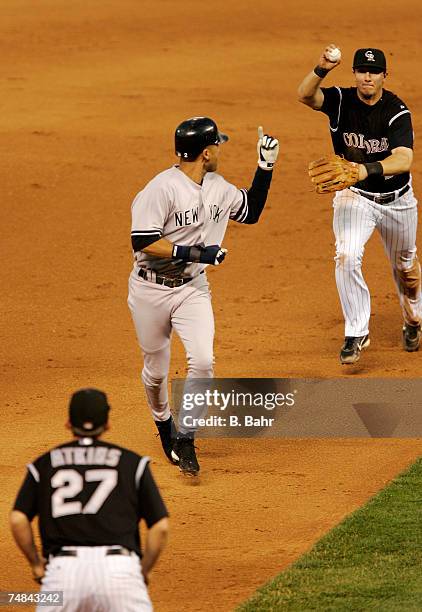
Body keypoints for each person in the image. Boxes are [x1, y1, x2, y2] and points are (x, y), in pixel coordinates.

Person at [128, 116, 279, 474]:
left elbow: (251, 211)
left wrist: (265, 167)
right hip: (149, 289)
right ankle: (164, 423)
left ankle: (186, 437)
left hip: (192, 290)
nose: (221, 151)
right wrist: (198, 253)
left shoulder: (218, 187)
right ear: (207, 153)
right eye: (219, 146)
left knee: (204, 361)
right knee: (155, 371)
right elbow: (143, 241)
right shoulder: (160, 189)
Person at [298, 45, 422, 364]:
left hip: (397, 202)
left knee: (406, 268)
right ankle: (356, 332)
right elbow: (306, 96)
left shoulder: (396, 111)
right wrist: (322, 67)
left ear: (383, 75)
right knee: (346, 254)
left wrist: (365, 168)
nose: (367, 76)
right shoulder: (341, 101)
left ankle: (413, 319)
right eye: (362, 71)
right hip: (355, 197)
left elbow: (404, 159)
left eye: (374, 71)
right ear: (354, 73)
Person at [10, 388, 168, 611]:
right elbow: (160, 527)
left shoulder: (43, 465)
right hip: (119, 571)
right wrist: (143, 571)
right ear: (107, 425)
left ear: (67, 423)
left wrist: (36, 564)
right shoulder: (133, 463)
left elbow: (18, 519)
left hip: (63, 573)